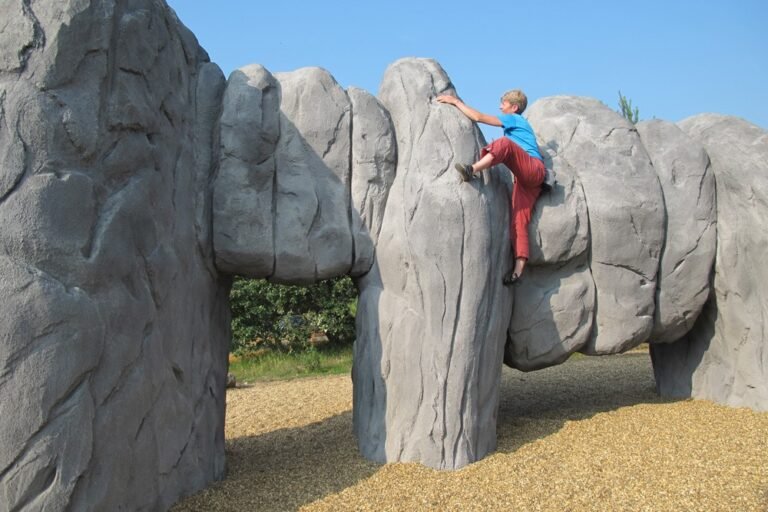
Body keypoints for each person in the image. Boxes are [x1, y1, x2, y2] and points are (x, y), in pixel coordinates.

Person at [436, 90, 545, 285]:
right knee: (518, 220)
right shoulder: (517, 125)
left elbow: (478, 117)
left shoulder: (514, 119)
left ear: (514, 107)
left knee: (503, 143)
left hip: (533, 169)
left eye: (503, 104)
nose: (500, 107)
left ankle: (472, 169)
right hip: (527, 179)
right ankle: (518, 272)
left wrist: (455, 102)